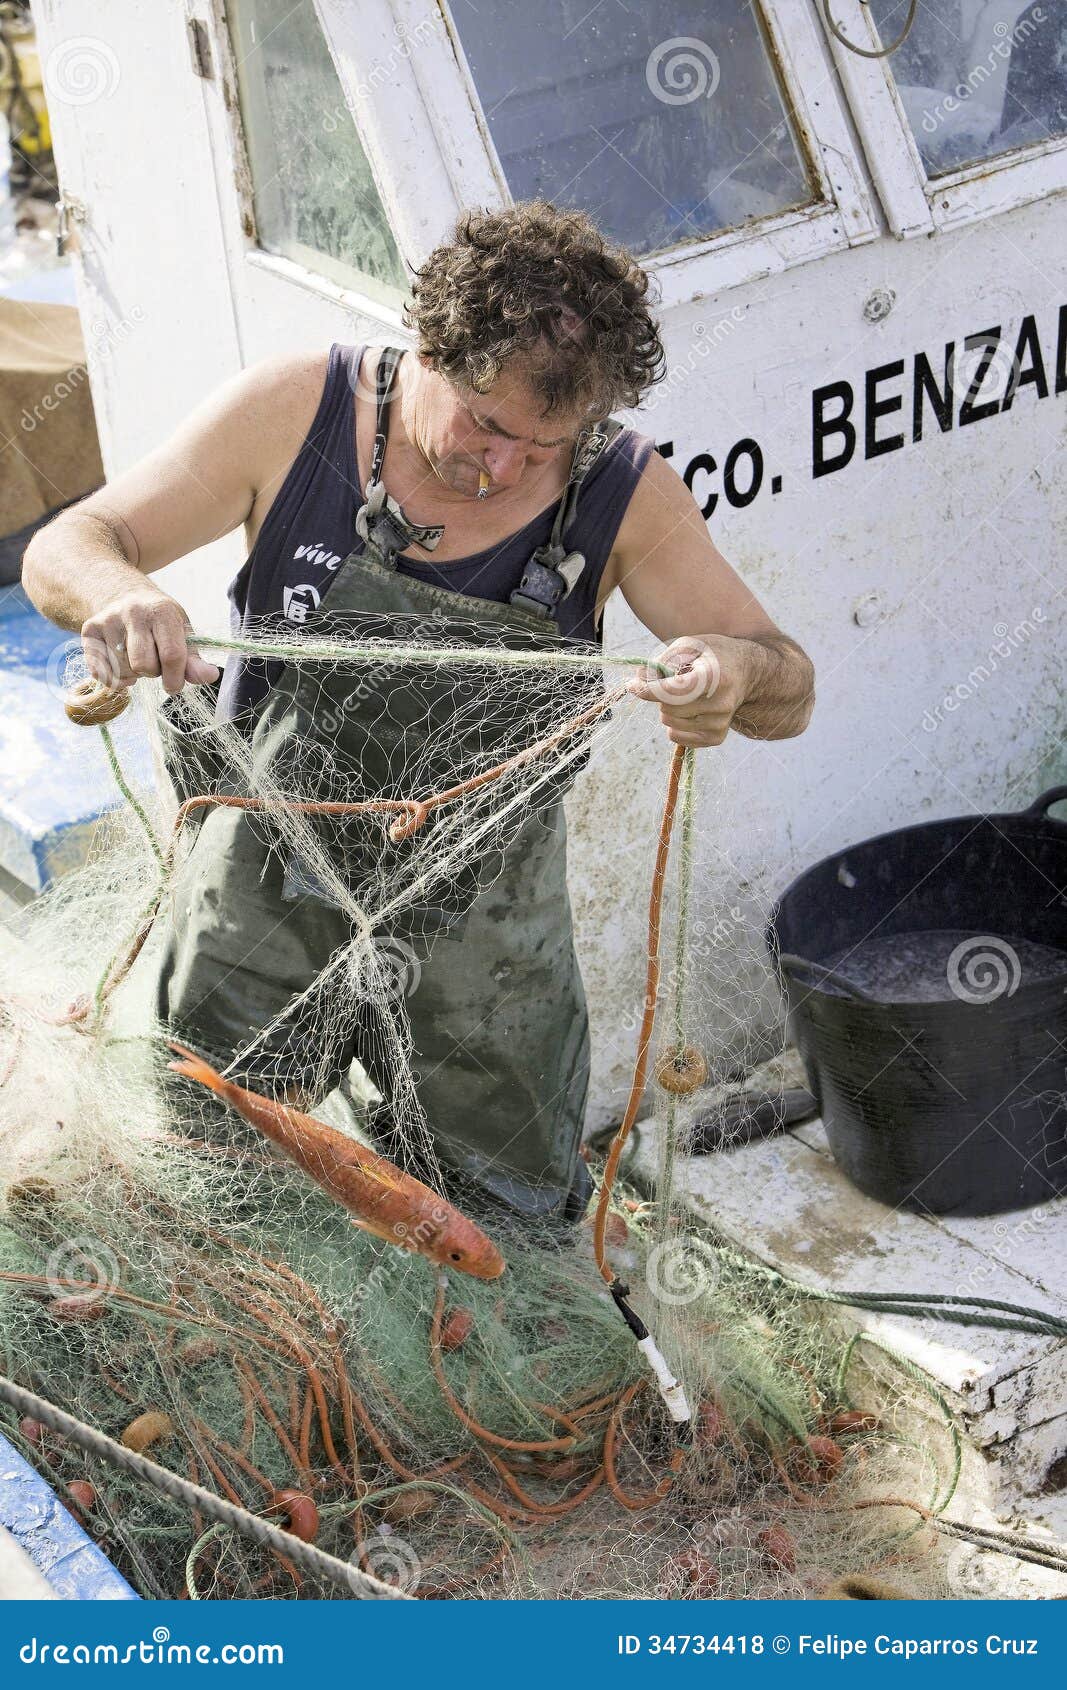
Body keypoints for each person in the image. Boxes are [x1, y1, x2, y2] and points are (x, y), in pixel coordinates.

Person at [23, 200, 814, 1230]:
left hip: (487, 923)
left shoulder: (625, 495)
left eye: (545, 446)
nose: (503, 467)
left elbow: (787, 687)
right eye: (485, 425)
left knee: (500, 1214)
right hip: (270, 868)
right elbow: (69, 545)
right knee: (199, 1150)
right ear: (428, 347)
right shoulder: (297, 413)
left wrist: (728, 671)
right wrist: (118, 594)